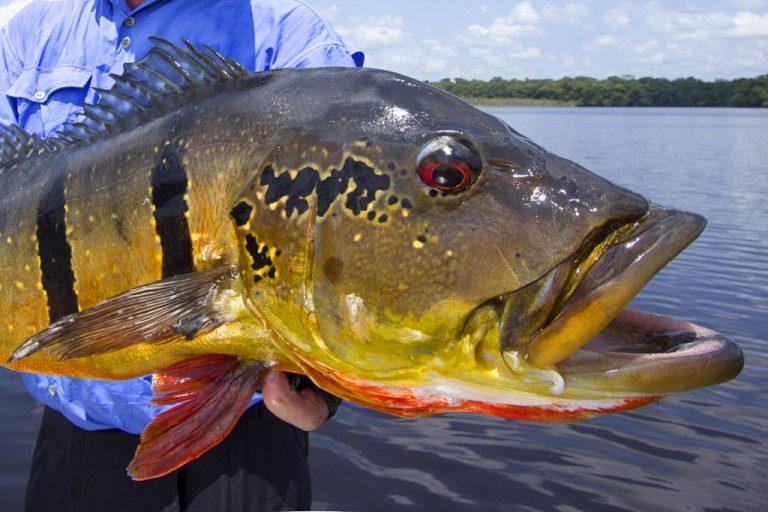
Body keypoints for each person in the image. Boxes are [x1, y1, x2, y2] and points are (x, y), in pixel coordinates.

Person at [0, 1, 363, 510]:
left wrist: (326, 389)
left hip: (247, 434)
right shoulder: (31, 31)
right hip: (76, 430)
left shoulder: (291, 33)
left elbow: (350, 224)